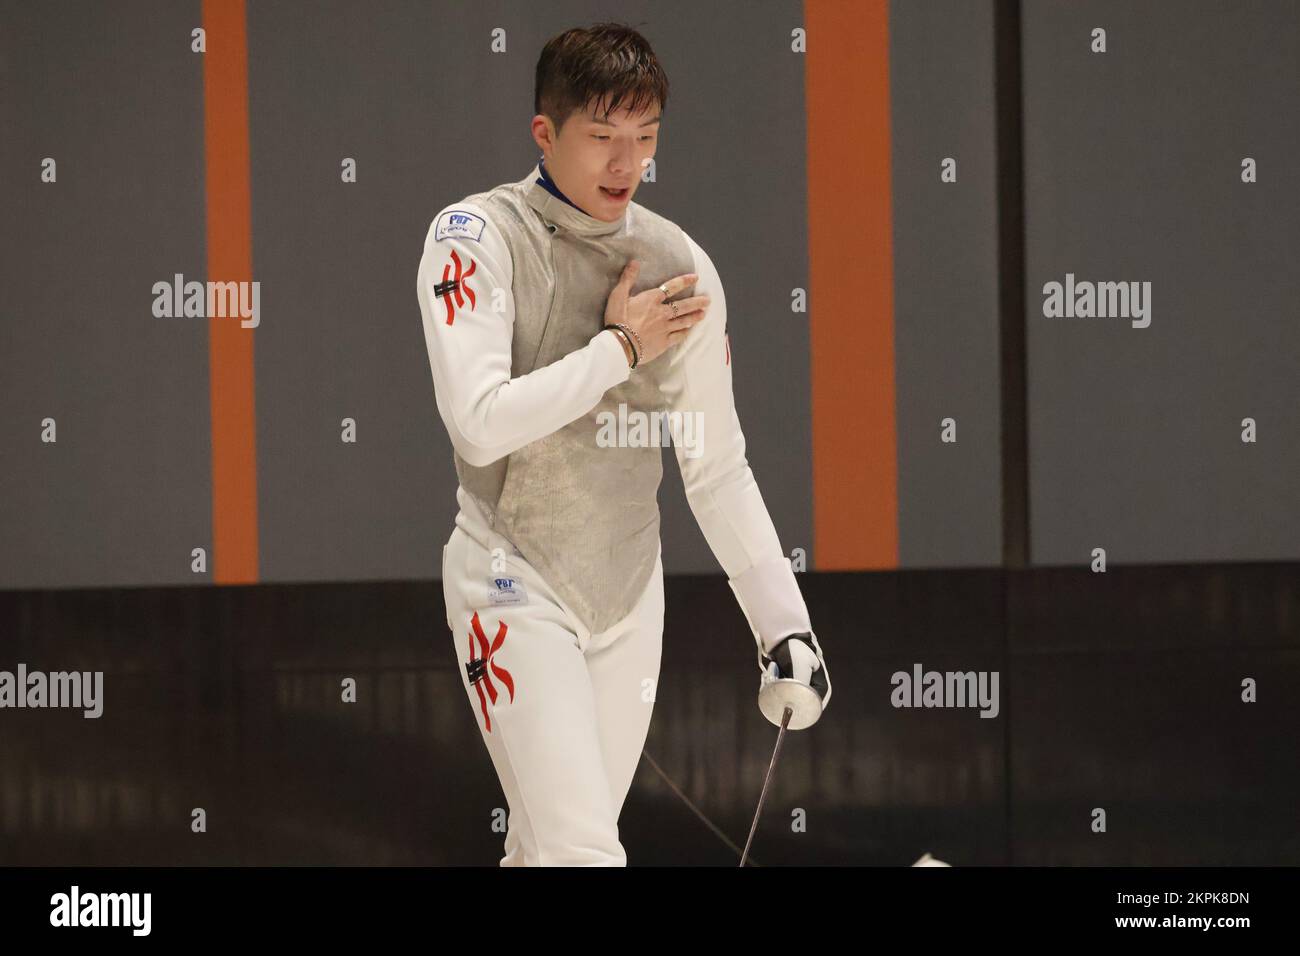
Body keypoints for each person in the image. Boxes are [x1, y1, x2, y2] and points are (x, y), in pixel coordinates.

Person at [416, 22, 830, 866]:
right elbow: (479, 420)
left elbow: (715, 466)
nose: (624, 163)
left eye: (643, 140)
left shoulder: (679, 265)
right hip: (509, 578)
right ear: (546, 133)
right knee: (580, 854)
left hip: (630, 597)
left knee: (548, 852)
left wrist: (785, 625)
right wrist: (619, 351)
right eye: (602, 137)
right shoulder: (475, 238)